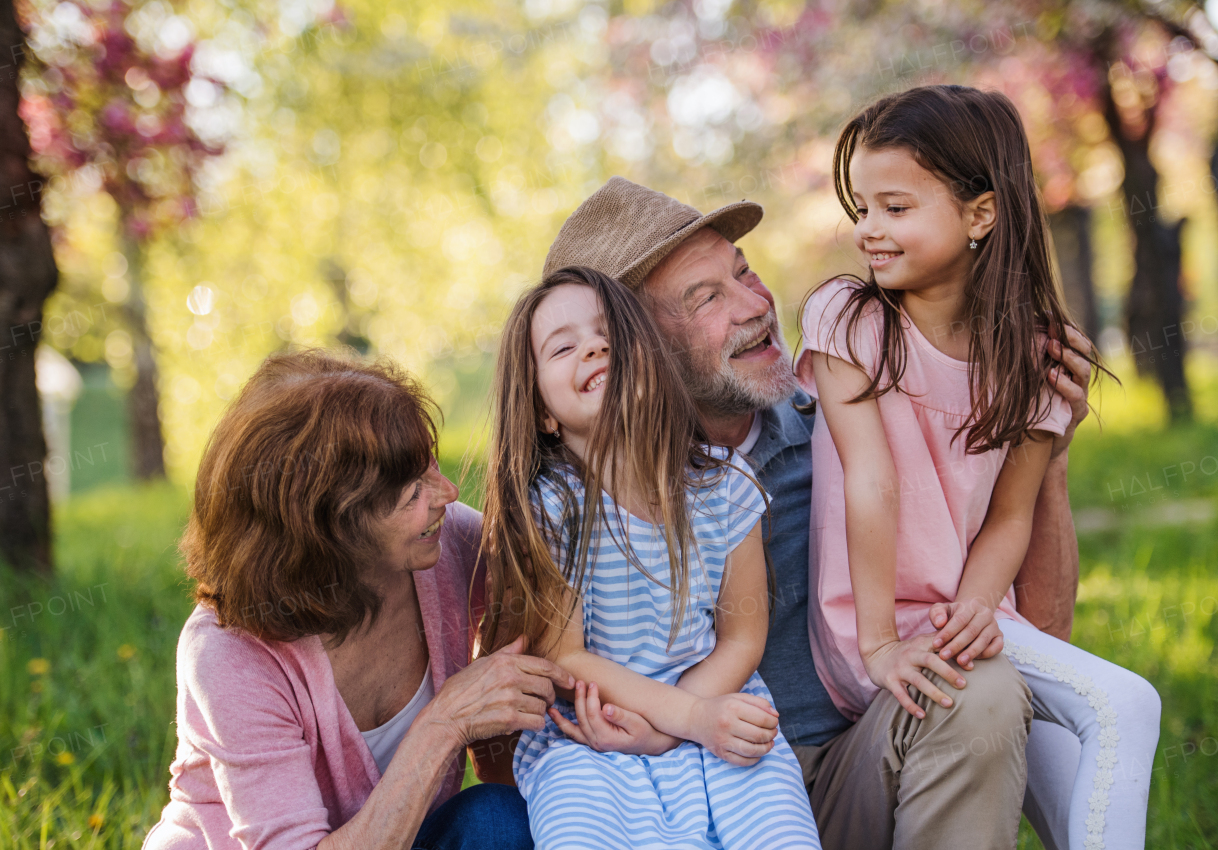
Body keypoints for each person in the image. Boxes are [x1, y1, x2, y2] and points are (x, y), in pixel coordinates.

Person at [533, 172, 1098, 849]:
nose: (756, 305)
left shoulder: (855, 433)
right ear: (630, 345)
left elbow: (1044, 635)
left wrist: (1046, 456)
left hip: (849, 779)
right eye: (707, 296)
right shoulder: (567, 505)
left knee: (974, 686)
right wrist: (663, 727)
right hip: (666, 800)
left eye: (745, 273)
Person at [797, 85, 1161, 850]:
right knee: (1125, 707)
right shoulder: (849, 319)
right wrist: (877, 645)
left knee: (1073, 774)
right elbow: (872, 481)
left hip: (971, 613)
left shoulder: (1036, 354)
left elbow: (1011, 516)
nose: (869, 230)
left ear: (980, 215)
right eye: (862, 208)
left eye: (896, 208)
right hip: (877, 630)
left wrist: (977, 602)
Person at [144, 350, 573, 850]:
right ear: (331, 530)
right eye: (413, 492)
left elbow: (560, 591)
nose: (449, 492)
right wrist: (444, 725)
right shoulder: (230, 655)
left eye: (431, 465)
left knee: (498, 820)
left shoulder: (442, 545)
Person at [479, 267, 821, 849]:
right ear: (542, 412)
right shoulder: (552, 510)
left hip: (718, 706)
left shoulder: (726, 488)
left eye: (608, 334)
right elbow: (567, 659)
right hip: (589, 741)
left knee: (779, 833)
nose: (593, 346)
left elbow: (742, 639)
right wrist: (682, 721)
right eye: (564, 347)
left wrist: (684, 725)